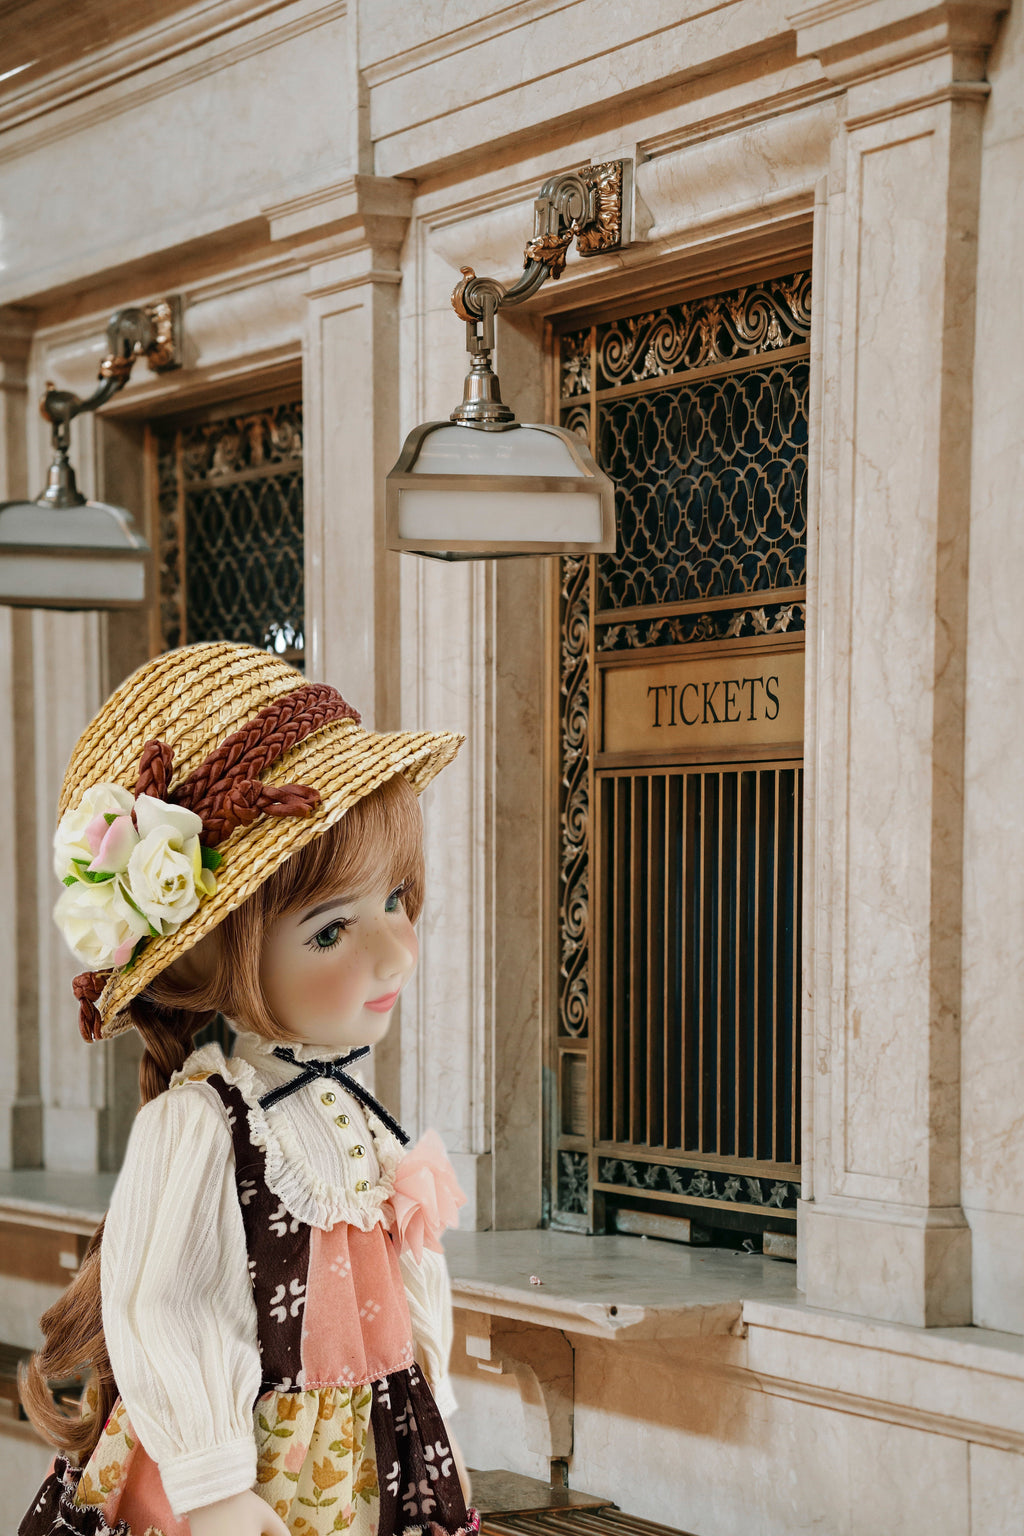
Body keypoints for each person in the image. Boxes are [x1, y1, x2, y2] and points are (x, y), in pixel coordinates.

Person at [18, 640, 474, 1536]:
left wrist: (432, 1407)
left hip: (368, 1463)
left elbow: (405, 1291)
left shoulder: (343, 1112)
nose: (395, 950)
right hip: (252, 1475)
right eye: (331, 930)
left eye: (396, 901)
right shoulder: (205, 1124)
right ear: (205, 952)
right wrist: (214, 1482)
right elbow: (169, 1305)